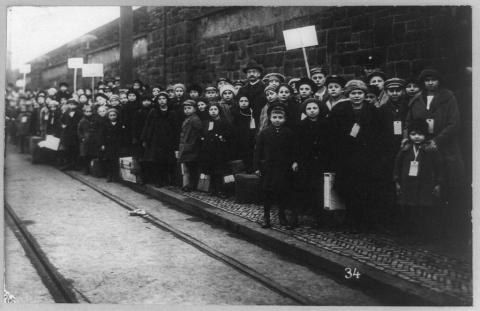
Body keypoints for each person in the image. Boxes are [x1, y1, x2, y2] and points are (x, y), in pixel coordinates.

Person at [405, 68, 468, 243]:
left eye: (433, 80)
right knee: (425, 188)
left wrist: (437, 141)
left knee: (447, 186)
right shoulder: (416, 100)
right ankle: (426, 231)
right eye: (427, 80)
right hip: (422, 148)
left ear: (439, 81)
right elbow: (408, 122)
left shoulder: (448, 97)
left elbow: (454, 123)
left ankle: (449, 232)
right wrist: (406, 139)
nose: (430, 83)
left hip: (444, 148)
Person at [330, 79, 382, 233]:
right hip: (345, 156)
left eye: (360, 93)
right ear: (348, 94)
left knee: (365, 188)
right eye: (353, 93)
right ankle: (351, 220)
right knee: (347, 188)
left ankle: (365, 220)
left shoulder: (372, 110)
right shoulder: (340, 109)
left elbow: (379, 133)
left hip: (366, 157)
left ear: (365, 94)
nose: (357, 96)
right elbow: (332, 132)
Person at [393, 119, 444, 240]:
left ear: (425, 135)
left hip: (425, 185)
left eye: (420, 134)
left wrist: (438, 183)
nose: (417, 137)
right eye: (413, 134)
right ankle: (410, 234)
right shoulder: (405, 149)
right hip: (408, 185)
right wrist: (397, 181)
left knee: (424, 210)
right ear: (409, 135)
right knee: (409, 210)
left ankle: (424, 235)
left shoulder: (431, 149)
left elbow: (439, 166)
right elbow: (397, 165)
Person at [292, 98, 333, 229]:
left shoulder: (326, 123)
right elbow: (296, 145)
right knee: (310, 188)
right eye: (309, 109)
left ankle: (323, 218)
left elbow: (333, 143)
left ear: (320, 109)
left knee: (322, 190)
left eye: (314, 108)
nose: (312, 111)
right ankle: (311, 215)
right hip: (307, 161)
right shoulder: (301, 125)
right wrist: (296, 160)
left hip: (323, 161)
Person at [254, 104, 295, 229]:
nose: (277, 119)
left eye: (280, 117)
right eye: (275, 117)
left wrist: (294, 162)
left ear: (285, 119)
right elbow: (258, 150)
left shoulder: (289, 133)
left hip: (283, 168)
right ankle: (266, 218)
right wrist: (257, 167)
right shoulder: (264, 132)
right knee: (267, 193)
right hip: (268, 168)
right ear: (270, 118)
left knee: (282, 192)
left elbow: (293, 150)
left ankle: (282, 216)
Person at [141, 91, 178, 187]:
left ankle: (168, 180)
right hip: (156, 140)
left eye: (164, 99)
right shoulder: (153, 111)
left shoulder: (172, 112)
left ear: (167, 100)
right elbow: (148, 125)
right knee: (157, 161)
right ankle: (158, 180)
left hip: (168, 140)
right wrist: (145, 139)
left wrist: (175, 141)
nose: (162, 101)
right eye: (159, 99)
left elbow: (175, 128)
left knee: (167, 161)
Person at [199, 103, 232, 197]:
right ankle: (213, 189)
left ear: (219, 111)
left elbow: (229, 133)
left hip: (220, 150)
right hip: (209, 150)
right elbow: (201, 133)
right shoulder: (206, 122)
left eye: (215, 109)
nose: (213, 112)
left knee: (220, 171)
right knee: (211, 170)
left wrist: (223, 137)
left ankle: (222, 190)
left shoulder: (224, 121)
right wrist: (202, 138)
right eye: (211, 110)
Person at [178, 99, 203, 192]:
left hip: (192, 147)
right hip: (186, 146)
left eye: (189, 108)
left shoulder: (195, 119)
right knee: (187, 167)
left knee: (191, 167)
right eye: (185, 108)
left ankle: (190, 185)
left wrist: (192, 144)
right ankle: (186, 185)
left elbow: (198, 133)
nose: (187, 110)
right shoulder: (188, 119)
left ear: (195, 109)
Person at [238, 59, 266, 127]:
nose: (251, 74)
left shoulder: (264, 87)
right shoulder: (242, 90)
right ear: (247, 75)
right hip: (246, 120)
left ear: (259, 74)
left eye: (254, 72)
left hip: (261, 119)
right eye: (249, 72)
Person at [231, 95, 256, 172]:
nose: (243, 103)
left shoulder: (252, 113)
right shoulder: (235, 112)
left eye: (246, 101)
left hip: (249, 138)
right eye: (241, 101)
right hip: (238, 139)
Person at [132, 96, 153, 183]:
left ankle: (150, 177)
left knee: (149, 158)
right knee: (140, 158)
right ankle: (141, 177)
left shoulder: (153, 111)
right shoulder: (138, 112)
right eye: (145, 100)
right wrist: (136, 137)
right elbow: (135, 126)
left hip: (150, 137)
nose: (147, 102)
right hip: (140, 137)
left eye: (148, 100)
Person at [99, 108, 124, 182]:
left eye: (114, 115)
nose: (113, 117)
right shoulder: (105, 124)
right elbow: (102, 135)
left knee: (116, 160)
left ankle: (115, 175)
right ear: (108, 116)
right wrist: (103, 144)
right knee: (109, 160)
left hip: (117, 145)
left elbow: (123, 135)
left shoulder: (120, 124)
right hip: (108, 144)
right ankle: (109, 174)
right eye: (111, 115)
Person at [59, 98, 82, 170]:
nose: (71, 106)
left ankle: (75, 164)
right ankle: (68, 164)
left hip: (76, 134)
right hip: (68, 134)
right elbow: (61, 121)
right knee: (68, 149)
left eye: (73, 104)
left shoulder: (79, 113)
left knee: (75, 149)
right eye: (70, 104)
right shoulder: (66, 113)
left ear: (76, 105)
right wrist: (62, 125)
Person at [77, 105, 98, 175]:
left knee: (91, 154)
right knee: (84, 155)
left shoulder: (94, 119)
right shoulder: (82, 121)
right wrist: (82, 138)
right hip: (85, 139)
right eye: (87, 112)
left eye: (90, 112)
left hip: (93, 139)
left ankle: (91, 169)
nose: (88, 113)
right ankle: (85, 168)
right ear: (84, 112)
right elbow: (79, 130)